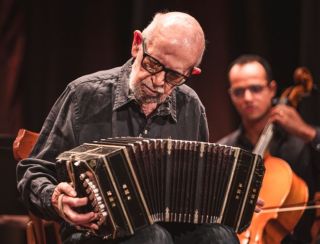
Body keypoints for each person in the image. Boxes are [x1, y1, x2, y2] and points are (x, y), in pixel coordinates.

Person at [16, 11, 239, 244]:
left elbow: (201, 186)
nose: (158, 81)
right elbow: (33, 172)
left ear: (191, 73)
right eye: (153, 64)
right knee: (153, 237)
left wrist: (230, 199)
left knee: (220, 236)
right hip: (93, 232)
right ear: (136, 45)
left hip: (170, 232)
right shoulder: (84, 95)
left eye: (174, 76)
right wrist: (55, 199)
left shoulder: (191, 107)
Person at [218, 54, 320, 243]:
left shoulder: (301, 142)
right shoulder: (225, 149)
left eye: (255, 89)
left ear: (272, 89)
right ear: (231, 95)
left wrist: (306, 132)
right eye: (239, 92)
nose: (248, 98)